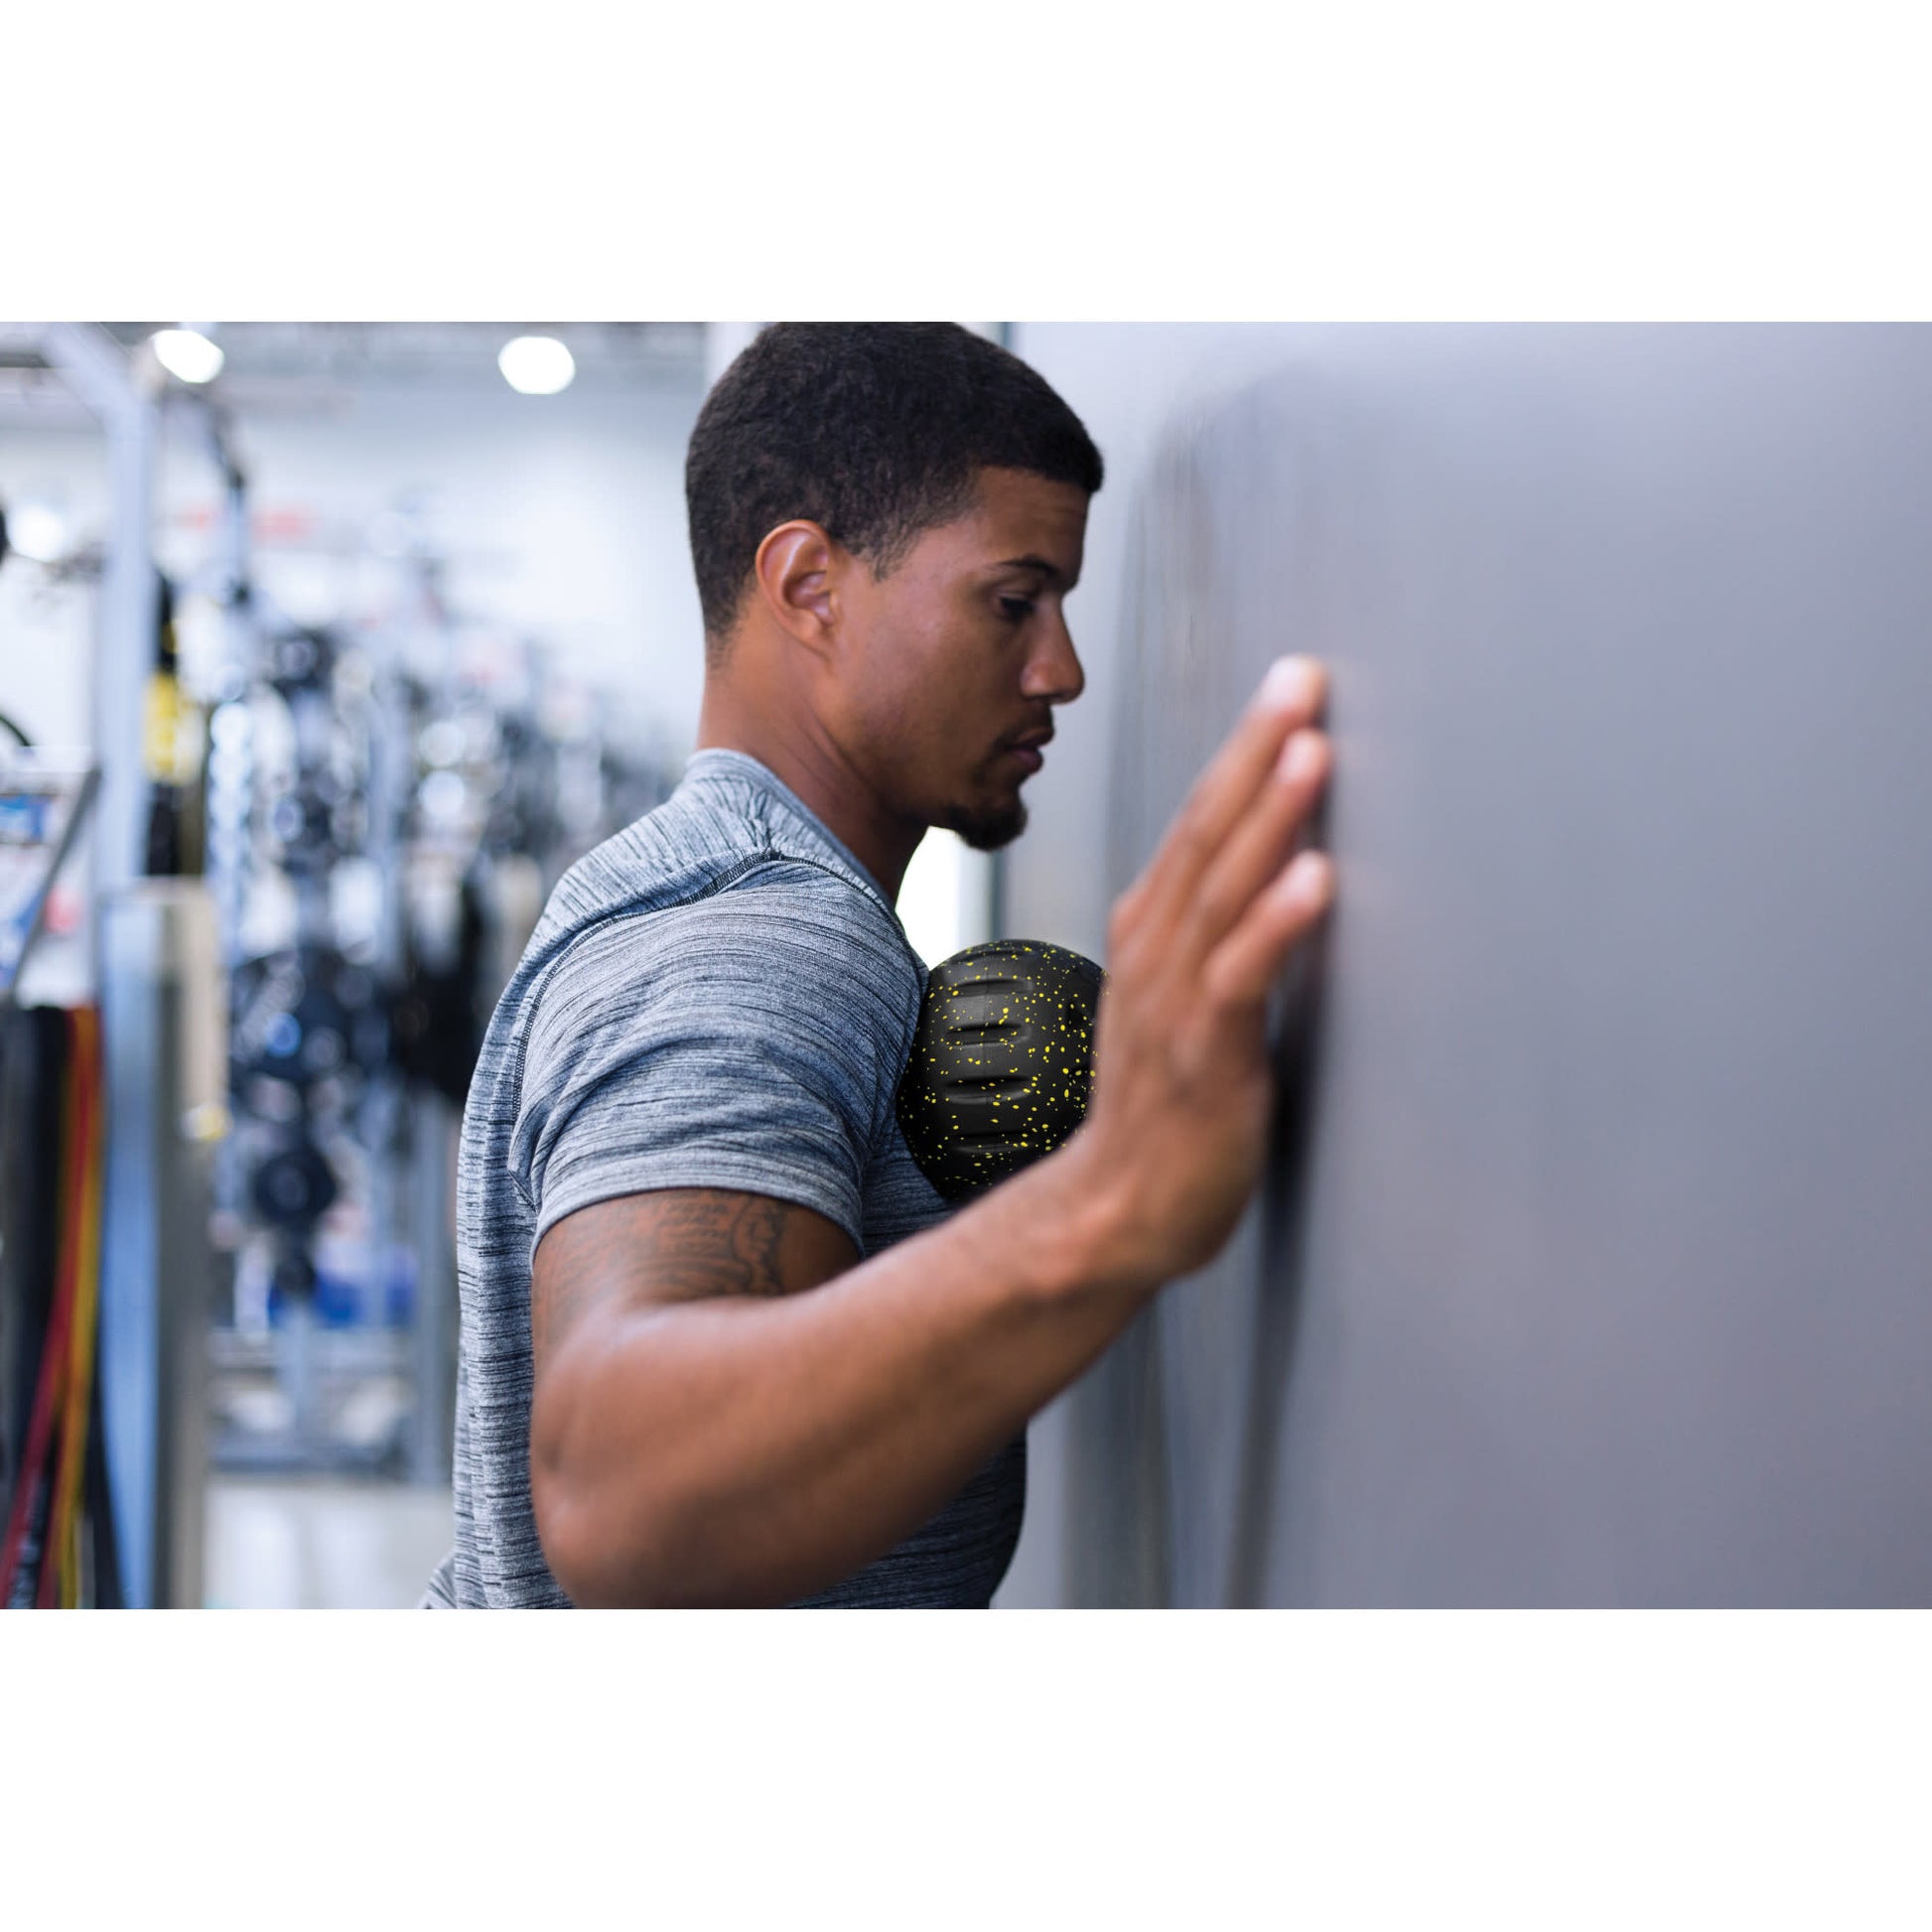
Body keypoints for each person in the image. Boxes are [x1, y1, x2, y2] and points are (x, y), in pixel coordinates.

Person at [420, 323, 1333, 1608]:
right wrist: (1114, 1200)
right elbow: (618, 1495)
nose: (1060, 669)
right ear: (807, 586)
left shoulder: (712, 888)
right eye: (1012, 601)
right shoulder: (757, 936)